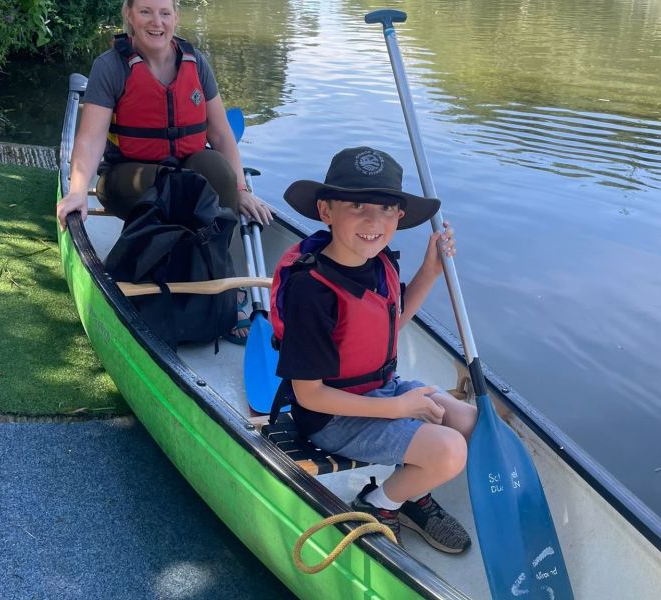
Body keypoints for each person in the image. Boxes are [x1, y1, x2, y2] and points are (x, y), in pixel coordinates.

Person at [270, 146, 478, 553]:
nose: (373, 221)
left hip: (382, 391)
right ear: (326, 211)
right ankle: (378, 505)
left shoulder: (381, 261)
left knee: (469, 422)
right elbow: (310, 394)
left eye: (385, 209)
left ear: (399, 217)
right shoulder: (311, 291)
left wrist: (430, 270)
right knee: (450, 450)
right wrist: (399, 410)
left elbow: (390, 322)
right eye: (357, 205)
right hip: (332, 416)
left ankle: (410, 492)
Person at [56, 0, 272, 344]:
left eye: (164, 12)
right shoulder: (111, 66)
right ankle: (147, 271)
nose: (156, 22)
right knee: (171, 187)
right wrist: (78, 190)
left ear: (176, 17)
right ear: (128, 15)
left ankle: (215, 271)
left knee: (216, 170)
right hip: (126, 178)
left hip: (184, 178)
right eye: (145, 11)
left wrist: (241, 190)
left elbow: (219, 134)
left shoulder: (196, 62)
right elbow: (91, 137)